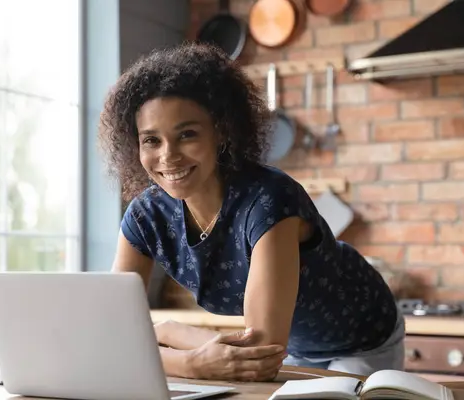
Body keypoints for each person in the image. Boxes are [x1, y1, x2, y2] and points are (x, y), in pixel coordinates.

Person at [98, 42, 405, 382]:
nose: (168, 156)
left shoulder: (269, 200)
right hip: (295, 346)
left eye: (187, 134)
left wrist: (168, 335)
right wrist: (186, 360)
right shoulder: (145, 217)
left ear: (222, 132)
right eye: (151, 140)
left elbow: (261, 353)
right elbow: (111, 332)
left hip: (359, 340)